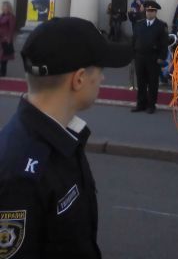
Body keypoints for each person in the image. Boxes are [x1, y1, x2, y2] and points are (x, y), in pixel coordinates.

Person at [0, 17, 132, 258]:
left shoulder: (62, 137)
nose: (102, 78)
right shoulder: (19, 172)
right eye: (100, 69)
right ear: (79, 79)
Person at [131, 0, 169, 114]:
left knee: (152, 82)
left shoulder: (161, 25)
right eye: (148, 10)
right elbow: (134, 40)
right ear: (145, 11)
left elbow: (164, 43)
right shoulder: (139, 24)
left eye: (152, 11)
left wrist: (161, 57)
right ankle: (140, 104)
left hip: (153, 58)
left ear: (156, 12)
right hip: (140, 57)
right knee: (141, 82)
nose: (149, 13)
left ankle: (151, 105)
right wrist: (133, 54)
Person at [0, 1, 16, 77]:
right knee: (1, 57)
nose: (4, 8)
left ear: (9, 8)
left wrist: (9, 39)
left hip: (5, 39)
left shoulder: (11, 17)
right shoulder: (1, 16)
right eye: (3, 7)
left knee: (4, 58)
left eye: (5, 7)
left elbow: (11, 29)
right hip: (0, 38)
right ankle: (2, 72)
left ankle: (3, 73)